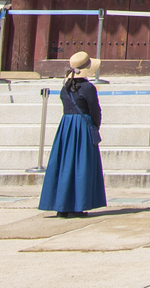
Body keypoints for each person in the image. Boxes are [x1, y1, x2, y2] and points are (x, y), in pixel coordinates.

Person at [38, 51, 106, 217]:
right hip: (82, 126)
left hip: (66, 126)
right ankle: (77, 205)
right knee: (81, 165)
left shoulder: (65, 88)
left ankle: (61, 206)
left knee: (64, 165)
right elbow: (95, 110)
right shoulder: (87, 88)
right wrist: (95, 126)